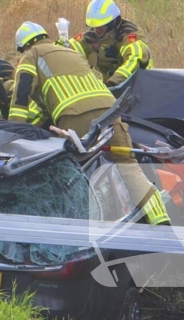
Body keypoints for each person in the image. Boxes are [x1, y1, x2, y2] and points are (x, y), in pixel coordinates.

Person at [10, 21, 169, 225]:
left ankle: (83, 232)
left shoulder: (30, 56)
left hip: (75, 117)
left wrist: (13, 133)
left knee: (70, 173)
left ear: (23, 47)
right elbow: (46, 105)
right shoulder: (71, 52)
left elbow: (21, 96)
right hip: (110, 111)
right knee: (129, 167)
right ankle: (162, 224)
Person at [68, 0, 153, 86]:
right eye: (94, 26)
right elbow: (72, 47)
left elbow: (134, 61)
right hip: (112, 88)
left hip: (140, 87)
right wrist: (56, 47)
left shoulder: (129, 35)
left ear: (113, 22)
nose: (96, 30)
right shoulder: (93, 35)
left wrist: (113, 83)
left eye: (101, 26)